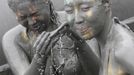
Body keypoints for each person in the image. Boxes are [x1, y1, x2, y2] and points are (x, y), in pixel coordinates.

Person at [2, 0, 100, 75]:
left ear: (47, 2)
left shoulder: (75, 21)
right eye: (22, 18)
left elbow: (98, 72)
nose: (32, 22)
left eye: (35, 14)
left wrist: (80, 44)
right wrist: (38, 60)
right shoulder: (12, 39)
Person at [64, 0, 134, 75]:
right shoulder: (96, 41)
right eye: (69, 11)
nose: (77, 20)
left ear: (106, 4)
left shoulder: (123, 50)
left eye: (85, 8)